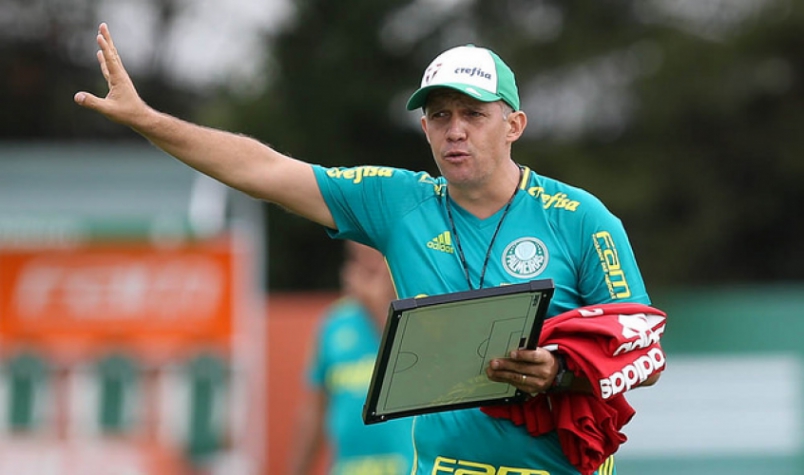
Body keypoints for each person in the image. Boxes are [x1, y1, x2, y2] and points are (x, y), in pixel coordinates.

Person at [75, 24, 664, 475]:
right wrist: (148, 120)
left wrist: (558, 372)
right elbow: (264, 169)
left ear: (514, 125)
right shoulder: (398, 201)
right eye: (439, 116)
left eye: (473, 115)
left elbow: (641, 349)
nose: (454, 129)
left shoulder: (581, 218)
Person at [287, 240, 413, 475]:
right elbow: (314, 409)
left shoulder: (415, 317)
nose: (367, 265)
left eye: (375, 256)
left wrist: (375, 305)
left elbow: (408, 360)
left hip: (407, 467)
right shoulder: (334, 322)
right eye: (358, 255)